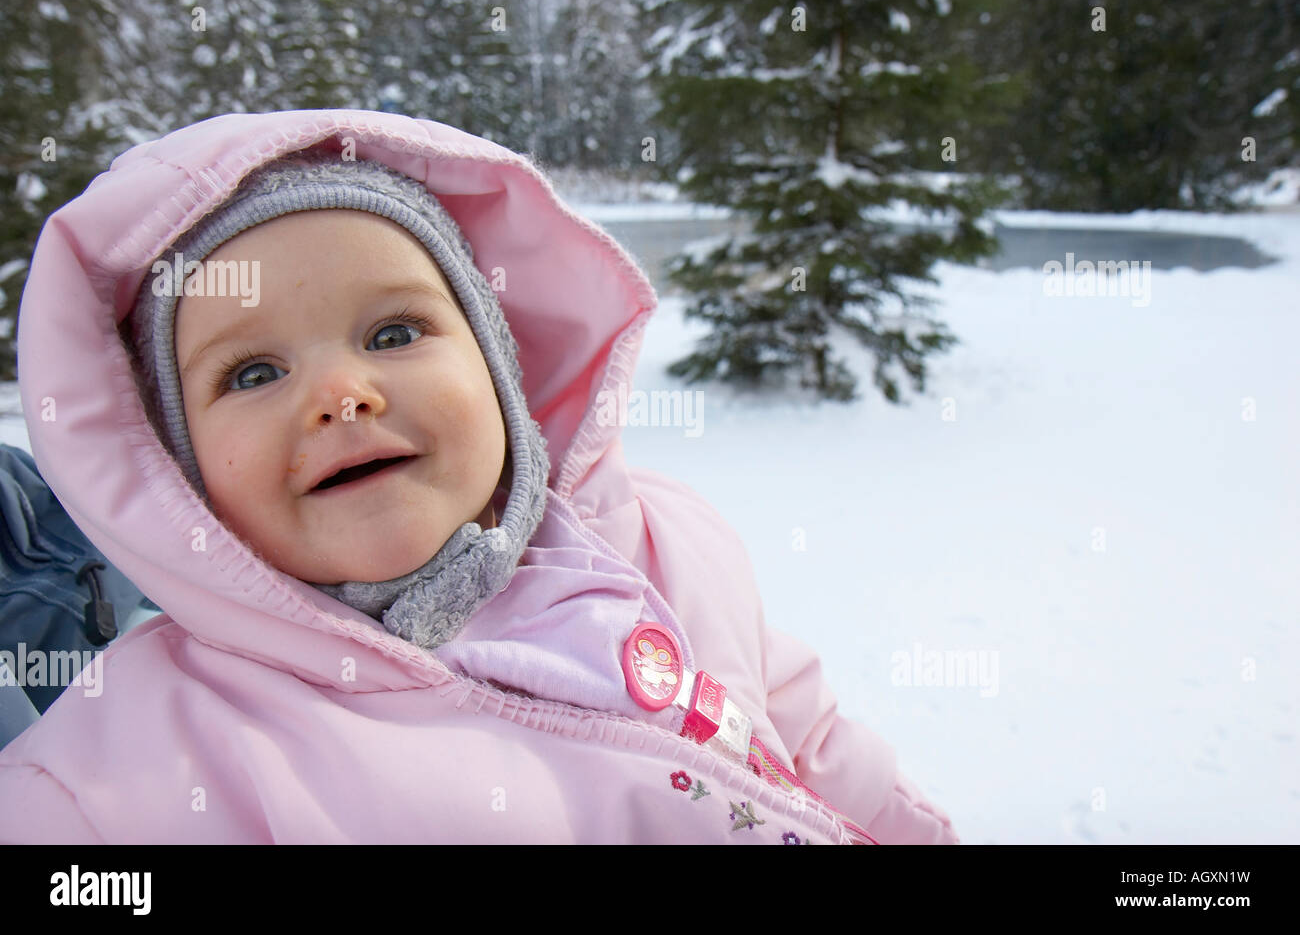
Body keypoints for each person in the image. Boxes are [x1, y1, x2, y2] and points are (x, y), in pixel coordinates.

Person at [0, 109, 959, 843]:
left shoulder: (664, 543)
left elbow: (815, 743)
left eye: (394, 332)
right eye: (253, 373)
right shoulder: (125, 772)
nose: (342, 393)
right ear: (175, 467)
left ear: (497, 368)